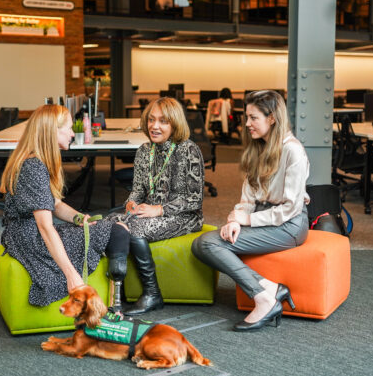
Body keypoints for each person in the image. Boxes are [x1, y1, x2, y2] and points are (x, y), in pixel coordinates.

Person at [192, 90, 310, 332]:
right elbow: (249, 196)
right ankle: (270, 288)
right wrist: (237, 219)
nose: (246, 124)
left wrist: (247, 219)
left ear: (272, 118)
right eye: (247, 117)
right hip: (261, 217)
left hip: (289, 224)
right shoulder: (258, 148)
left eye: (253, 118)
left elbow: (290, 208)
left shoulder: (293, 151)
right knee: (201, 244)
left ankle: (264, 298)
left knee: (209, 244)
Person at [0, 104, 130, 311]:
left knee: (110, 225)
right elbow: (45, 227)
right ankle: (116, 305)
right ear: (52, 131)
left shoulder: (36, 160)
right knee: (117, 231)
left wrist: (80, 218)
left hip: (26, 233)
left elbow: (55, 204)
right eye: (69, 128)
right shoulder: (33, 166)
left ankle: (114, 298)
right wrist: (72, 276)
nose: (73, 133)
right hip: (30, 238)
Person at [110, 97, 205, 315]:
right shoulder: (145, 150)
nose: (155, 126)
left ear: (175, 124)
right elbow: (137, 189)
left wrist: (159, 210)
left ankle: (152, 294)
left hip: (184, 216)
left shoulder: (188, 150)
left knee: (134, 230)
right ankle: (116, 291)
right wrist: (131, 203)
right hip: (148, 212)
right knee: (109, 223)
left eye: (163, 121)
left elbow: (194, 199)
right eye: (151, 120)